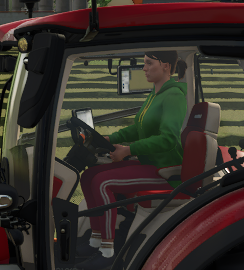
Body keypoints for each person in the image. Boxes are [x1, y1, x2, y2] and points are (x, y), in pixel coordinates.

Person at [80, 50, 188, 256]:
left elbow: (168, 139)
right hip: (150, 163)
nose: (144, 68)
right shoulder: (155, 94)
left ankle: (107, 251)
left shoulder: (173, 96)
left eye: (149, 63)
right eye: (144, 63)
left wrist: (129, 150)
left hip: (165, 171)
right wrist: (110, 139)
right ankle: (95, 239)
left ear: (165, 66)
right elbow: (137, 129)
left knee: (102, 182)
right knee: (88, 176)